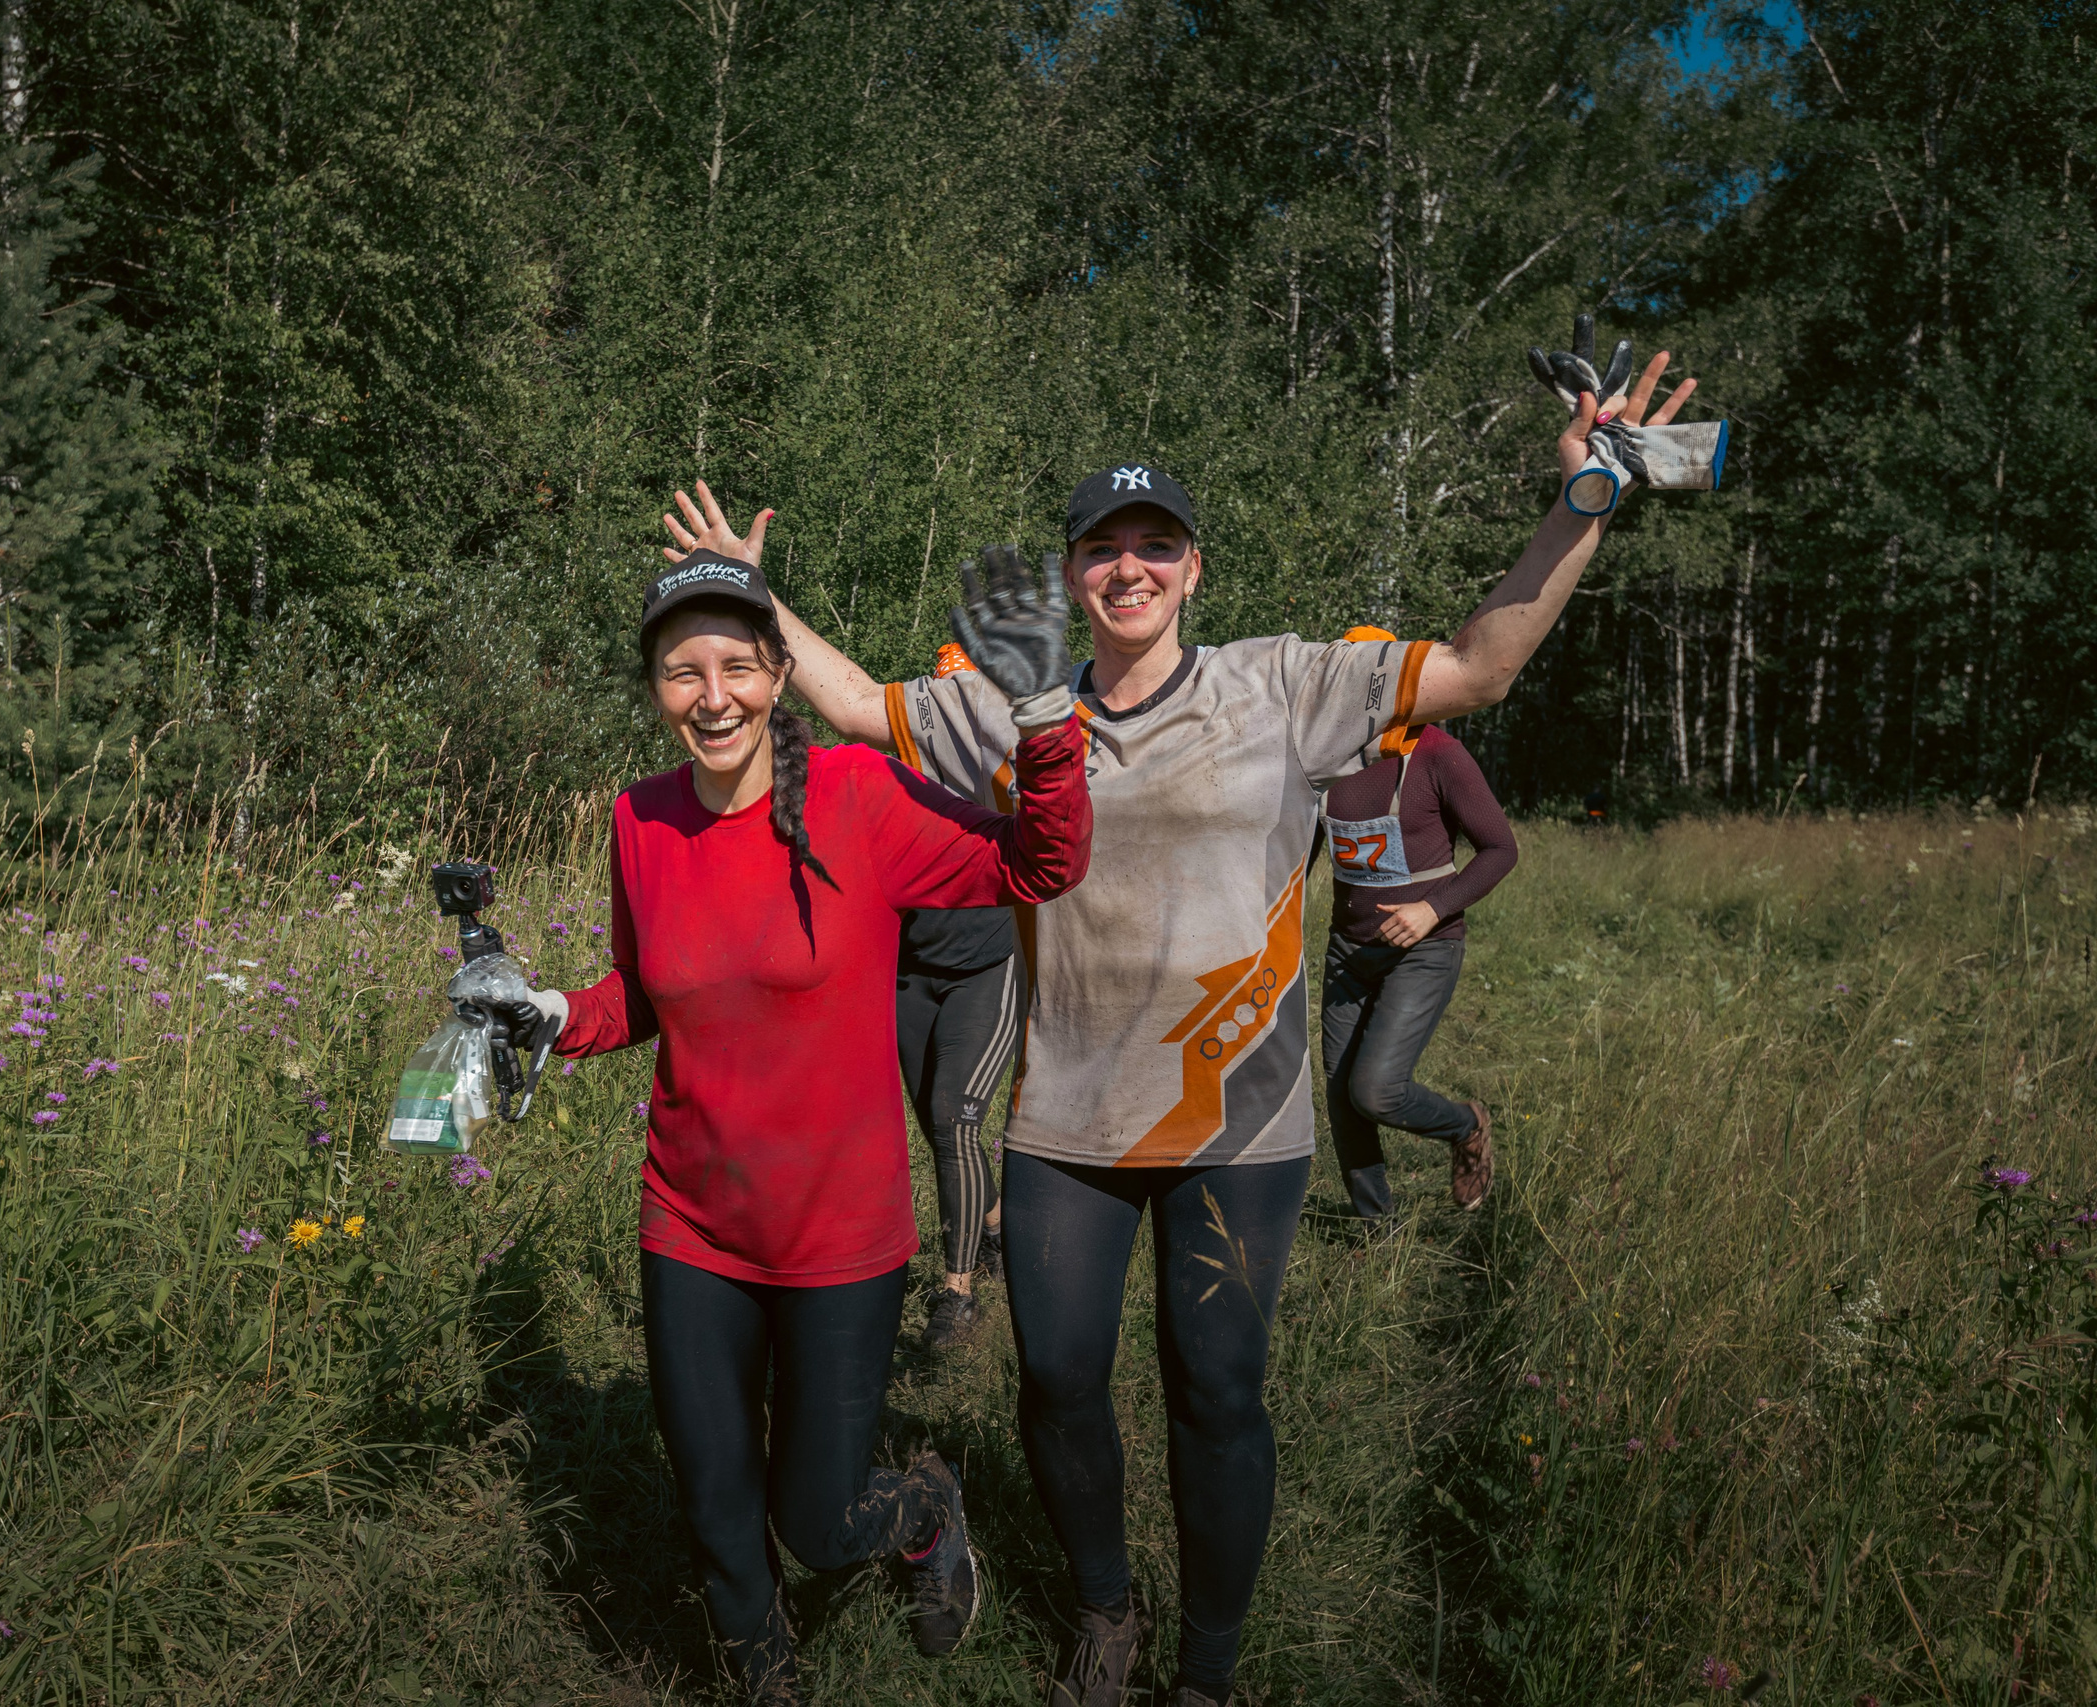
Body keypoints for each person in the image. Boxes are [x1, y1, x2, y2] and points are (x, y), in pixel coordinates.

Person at [658, 338, 1696, 1707]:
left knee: (1216, 1388)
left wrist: (1584, 502)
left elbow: (1482, 664)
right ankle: (1105, 1609)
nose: (1129, 565)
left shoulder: (1285, 681)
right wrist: (746, 590)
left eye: (1157, 543)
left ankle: (1207, 1666)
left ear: (1194, 567)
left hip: (1237, 1116)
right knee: (1061, 1382)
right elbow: (849, 703)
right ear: (1076, 570)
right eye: (1103, 545)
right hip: (1068, 1111)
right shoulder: (1012, 704)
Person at [462, 541, 1091, 1705]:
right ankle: (768, 1679)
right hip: (692, 1220)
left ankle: (923, 1508)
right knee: (713, 1504)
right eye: (681, 672)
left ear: (775, 671)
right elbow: (645, 995)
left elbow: (1043, 864)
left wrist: (1045, 718)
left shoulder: (856, 796)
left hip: (838, 1236)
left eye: (737, 667)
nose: (712, 697)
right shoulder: (638, 819)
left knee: (816, 1516)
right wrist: (546, 1010)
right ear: (653, 689)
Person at [1315, 626, 1518, 1226]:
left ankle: (1466, 1124)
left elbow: (1500, 850)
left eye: (1373, 678)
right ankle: (1375, 1230)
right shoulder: (1323, 757)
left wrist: (1432, 909)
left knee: (1375, 1091)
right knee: (1340, 1097)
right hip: (1348, 950)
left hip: (1424, 949)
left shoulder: (1437, 754)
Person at [894, 640, 1020, 1351]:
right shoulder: (899, 771)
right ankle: (995, 1223)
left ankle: (957, 1293)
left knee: (956, 1121)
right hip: (910, 971)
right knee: (935, 1125)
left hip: (990, 967)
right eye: (943, 698)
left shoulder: (1009, 768)